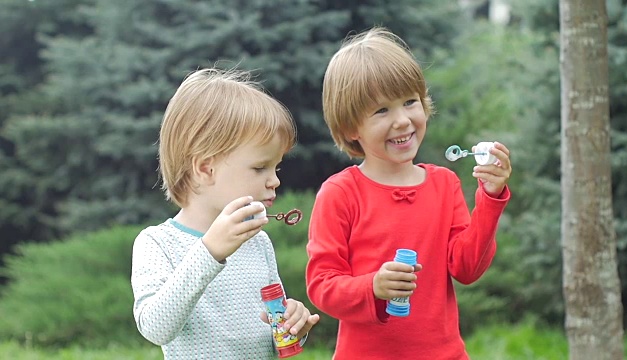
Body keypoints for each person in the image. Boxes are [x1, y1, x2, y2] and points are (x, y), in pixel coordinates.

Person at [306, 27, 511, 359]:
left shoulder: (444, 185)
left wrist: (491, 197)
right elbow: (322, 285)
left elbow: (467, 268)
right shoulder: (340, 193)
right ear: (350, 128)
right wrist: (372, 286)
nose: (402, 120)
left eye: (409, 102)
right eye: (381, 111)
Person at [131, 67, 320, 359]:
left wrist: (293, 326)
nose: (275, 180)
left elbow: (272, 337)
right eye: (260, 168)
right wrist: (209, 252)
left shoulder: (258, 242)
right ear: (206, 168)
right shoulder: (157, 243)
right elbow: (155, 328)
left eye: (276, 167)